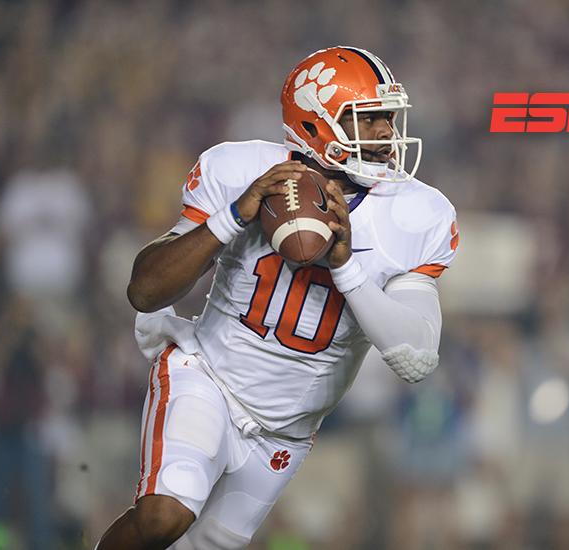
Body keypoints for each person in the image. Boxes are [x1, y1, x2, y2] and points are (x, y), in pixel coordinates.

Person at [96, 46, 458, 550]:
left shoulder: (418, 214)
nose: (385, 133)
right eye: (367, 118)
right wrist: (232, 217)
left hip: (285, 432)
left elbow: (417, 356)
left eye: (387, 118)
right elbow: (145, 289)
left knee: (199, 546)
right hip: (209, 379)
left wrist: (346, 268)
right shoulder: (241, 168)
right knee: (164, 516)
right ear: (313, 126)